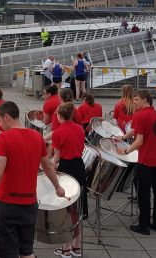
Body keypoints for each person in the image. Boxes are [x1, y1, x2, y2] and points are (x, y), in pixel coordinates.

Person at [0, 101, 65, 258]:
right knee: (27, 251)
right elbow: (47, 167)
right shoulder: (37, 136)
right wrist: (57, 187)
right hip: (30, 204)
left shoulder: (3, 138)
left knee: (8, 252)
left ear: (7, 117)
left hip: (6, 205)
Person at [116, 89, 156, 235]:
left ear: (145, 100)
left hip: (146, 161)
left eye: (136, 100)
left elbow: (139, 141)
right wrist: (124, 137)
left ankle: (143, 225)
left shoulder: (139, 115)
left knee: (143, 193)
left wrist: (125, 151)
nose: (133, 103)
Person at [51, 102, 87, 256]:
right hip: (79, 166)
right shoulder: (80, 129)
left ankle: (66, 248)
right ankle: (76, 247)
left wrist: (51, 166)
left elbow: (57, 157)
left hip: (65, 168)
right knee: (77, 207)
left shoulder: (57, 133)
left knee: (66, 207)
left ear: (59, 116)